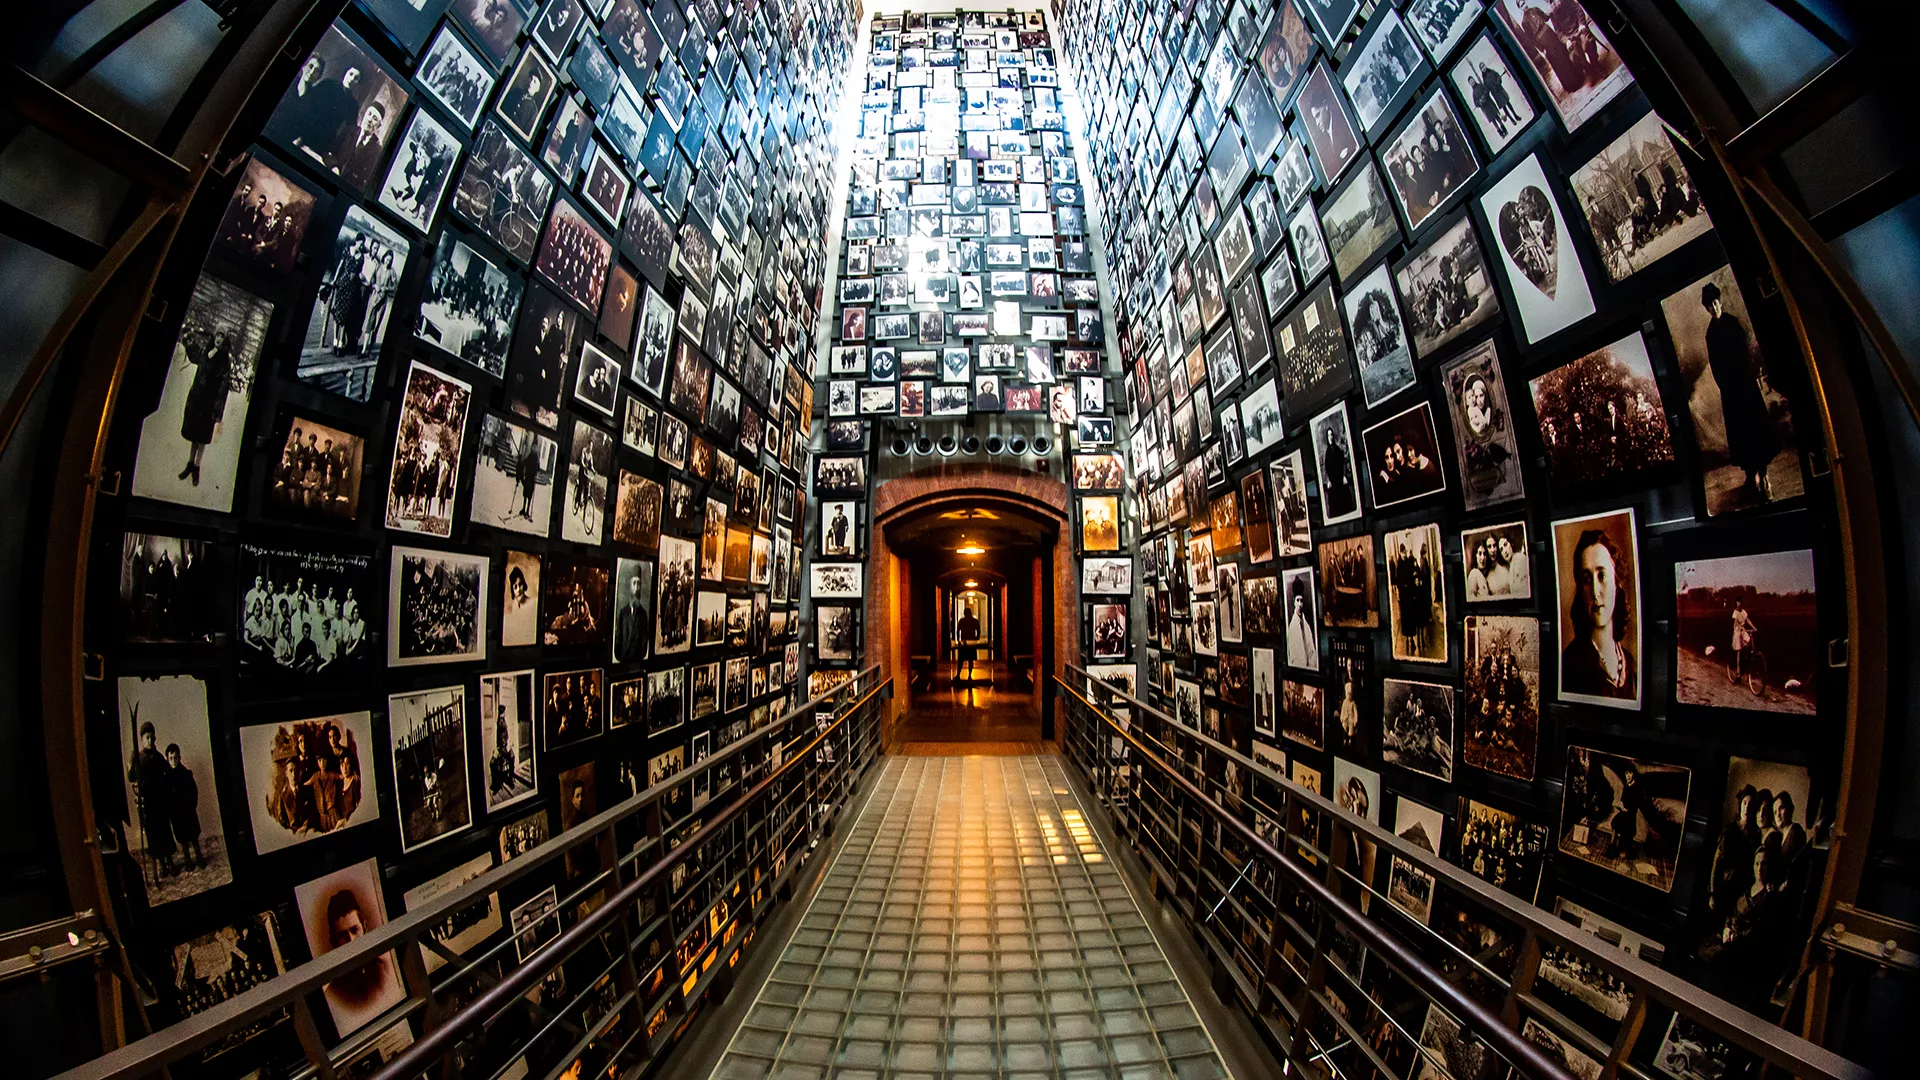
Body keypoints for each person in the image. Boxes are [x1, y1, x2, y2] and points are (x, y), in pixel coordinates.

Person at [1700, 282, 1777, 500]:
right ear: (1706, 309)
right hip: (1730, 391)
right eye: (1709, 305)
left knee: (1756, 429)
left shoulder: (1733, 323)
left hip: (1745, 386)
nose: (1714, 307)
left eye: (1716, 303)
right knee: (1741, 434)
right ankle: (1750, 476)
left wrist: (1742, 377)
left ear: (1720, 302)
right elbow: (1715, 364)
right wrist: (1726, 385)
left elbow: (1745, 353)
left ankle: (1765, 477)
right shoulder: (1710, 334)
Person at [1560, 528, 1636, 701]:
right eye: (1587, 580)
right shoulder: (1570, 665)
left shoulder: (1629, 664)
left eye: (1602, 576)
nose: (1595, 591)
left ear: (1616, 583)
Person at [177, 327, 236, 487]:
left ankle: (197, 466)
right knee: (194, 434)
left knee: (203, 437)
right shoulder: (207, 350)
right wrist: (188, 337)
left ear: (224, 340)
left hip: (210, 403)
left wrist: (218, 410)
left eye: (222, 336)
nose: (218, 338)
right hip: (198, 399)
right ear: (214, 336)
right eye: (217, 335)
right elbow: (195, 356)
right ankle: (190, 463)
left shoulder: (225, 359)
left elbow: (224, 386)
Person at [128, 720, 177, 876]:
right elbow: (131, 778)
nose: (149, 740)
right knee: (154, 838)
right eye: (146, 738)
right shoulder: (139, 759)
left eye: (151, 737)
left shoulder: (158, 757)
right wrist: (131, 762)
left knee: (165, 834)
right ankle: (162, 865)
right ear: (142, 740)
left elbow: (168, 774)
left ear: (154, 738)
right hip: (149, 805)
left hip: (161, 802)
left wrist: (168, 792)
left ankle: (170, 862)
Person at [165, 743, 204, 870]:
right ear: (167, 759)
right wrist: (171, 813)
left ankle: (199, 857)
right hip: (177, 815)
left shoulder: (186, 774)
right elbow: (166, 797)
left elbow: (194, 791)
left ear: (180, 758)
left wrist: (192, 806)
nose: (173, 761)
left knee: (193, 838)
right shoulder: (166, 778)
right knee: (183, 840)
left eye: (175, 757)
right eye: (171, 758)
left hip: (188, 812)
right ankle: (187, 860)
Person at [956, 607, 982, 685]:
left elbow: (958, 631)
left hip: (966, 642)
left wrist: (958, 640)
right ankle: (968, 675)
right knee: (969, 660)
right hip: (970, 642)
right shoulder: (974, 621)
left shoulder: (962, 621)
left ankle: (960, 675)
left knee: (962, 660)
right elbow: (978, 630)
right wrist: (976, 639)